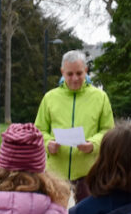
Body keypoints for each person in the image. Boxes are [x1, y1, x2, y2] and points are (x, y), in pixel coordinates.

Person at [35, 50, 114, 204]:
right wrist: (47, 144)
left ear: (86, 70)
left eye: (79, 73)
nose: (75, 79)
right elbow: (39, 130)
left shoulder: (100, 97)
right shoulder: (50, 98)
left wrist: (92, 145)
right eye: (69, 74)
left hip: (88, 171)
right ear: (62, 72)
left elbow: (108, 130)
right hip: (56, 171)